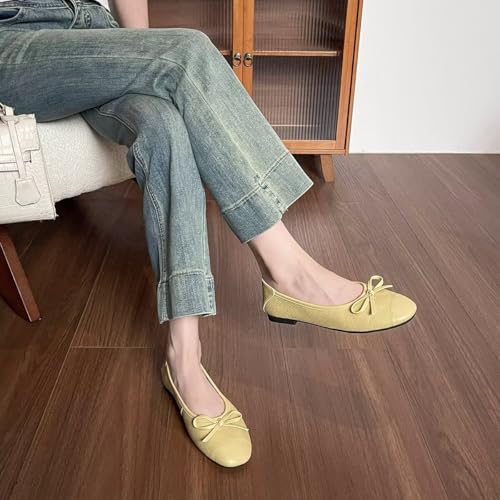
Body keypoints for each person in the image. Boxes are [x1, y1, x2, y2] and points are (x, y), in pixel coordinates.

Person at [0, 0, 417, 468]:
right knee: (187, 51)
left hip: (91, 30)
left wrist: (138, 49)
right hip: (11, 38)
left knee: (163, 123)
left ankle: (184, 358)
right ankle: (288, 270)